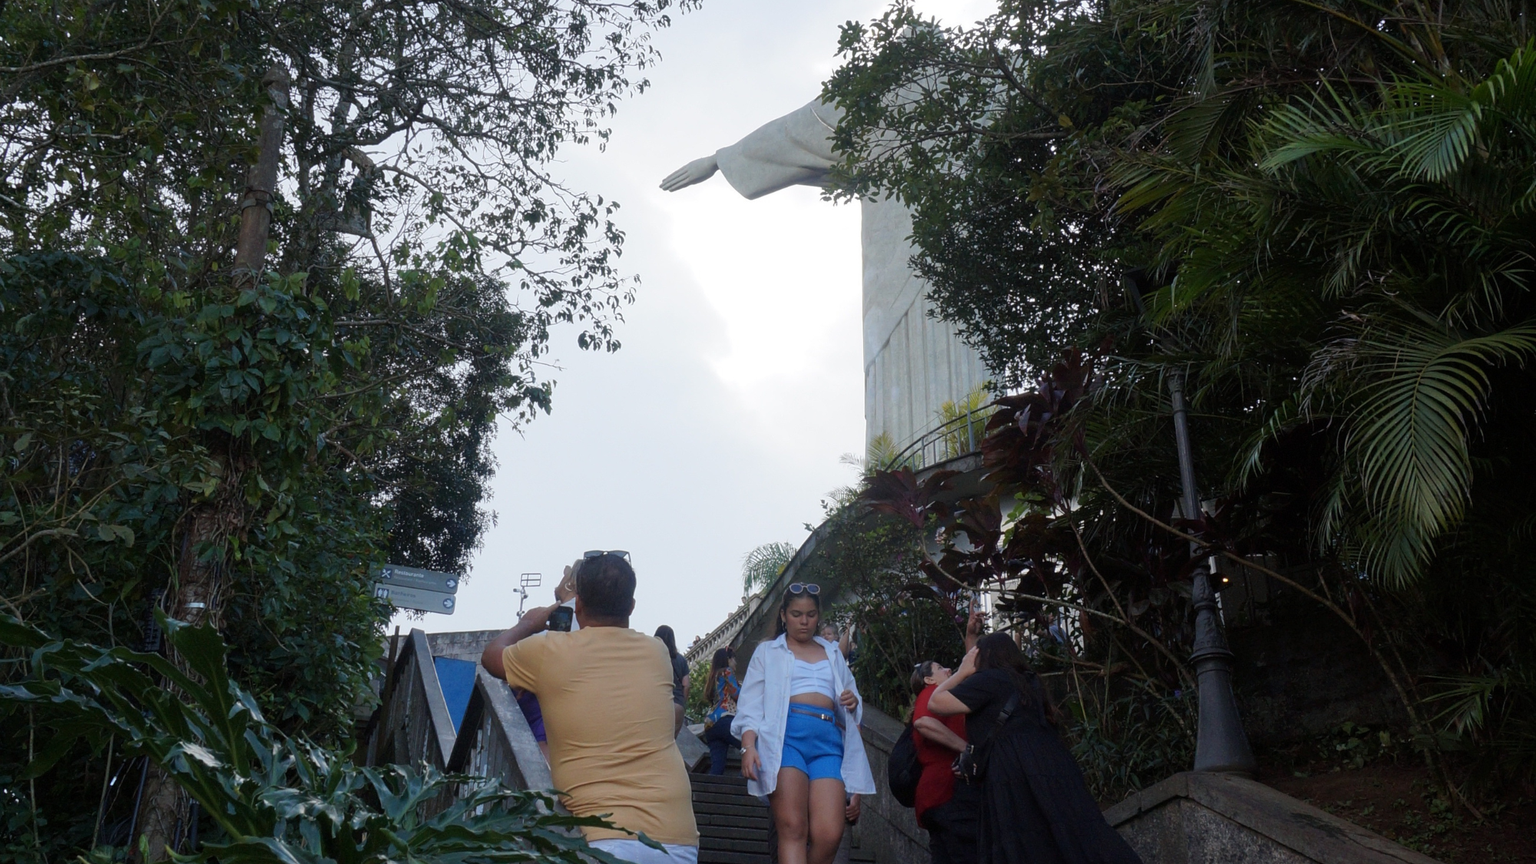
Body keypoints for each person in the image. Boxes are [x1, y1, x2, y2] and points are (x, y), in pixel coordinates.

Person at [481, 554, 699, 864]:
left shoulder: (549, 651)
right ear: (632, 606)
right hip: (674, 837)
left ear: (578, 605)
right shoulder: (657, 652)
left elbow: (492, 657)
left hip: (600, 837)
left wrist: (528, 623)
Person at [928, 634, 1143, 864]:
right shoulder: (1029, 681)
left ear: (986, 656)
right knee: (1068, 833)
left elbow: (936, 702)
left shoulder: (989, 680)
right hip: (1050, 764)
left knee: (1022, 842)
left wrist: (962, 671)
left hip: (1010, 771)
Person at [734, 583, 875, 864]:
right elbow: (750, 704)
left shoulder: (833, 653)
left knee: (829, 833)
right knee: (793, 828)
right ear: (784, 615)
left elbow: (852, 703)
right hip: (785, 738)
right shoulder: (768, 652)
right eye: (797, 614)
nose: (804, 621)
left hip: (828, 741)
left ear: (818, 615)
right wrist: (748, 746)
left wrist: (852, 701)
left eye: (811, 614)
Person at [703, 647, 741, 775]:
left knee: (717, 767)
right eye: (734, 659)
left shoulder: (713, 676)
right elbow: (736, 694)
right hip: (725, 719)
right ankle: (743, 787)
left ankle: (707, 793)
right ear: (728, 660)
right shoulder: (727, 672)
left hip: (710, 725)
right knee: (750, 747)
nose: (735, 663)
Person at [655, 625, 690, 735]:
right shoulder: (681, 660)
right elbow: (687, 685)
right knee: (671, 742)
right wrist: (682, 703)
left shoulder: (654, 657)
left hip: (658, 703)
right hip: (677, 705)